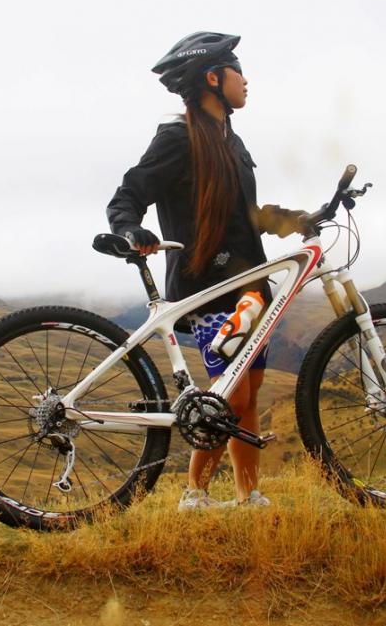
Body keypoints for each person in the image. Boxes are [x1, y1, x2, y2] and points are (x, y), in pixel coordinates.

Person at [106, 32, 305, 510]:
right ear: (213, 78)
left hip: (248, 283)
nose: (246, 79)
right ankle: (194, 495)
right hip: (208, 285)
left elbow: (246, 214)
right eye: (237, 70)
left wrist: (295, 220)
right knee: (231, 395)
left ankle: (247, 495)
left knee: (250, 390)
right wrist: (130, 229)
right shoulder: (178, 138)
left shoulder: (229, 140)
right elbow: (128, 193)